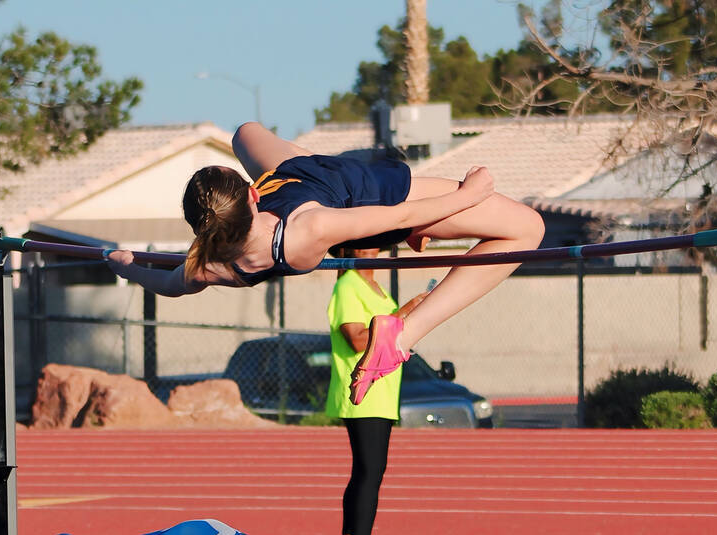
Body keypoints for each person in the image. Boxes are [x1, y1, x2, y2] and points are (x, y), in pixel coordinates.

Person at [107, 121, 545, 404]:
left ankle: (407, 263)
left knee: (246, 132)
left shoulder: (214, 262)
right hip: (361, 197)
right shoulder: (309, 228)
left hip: (302, 176)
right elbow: (402, 215)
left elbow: (168, 283)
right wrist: (467, 195)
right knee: (527, 229)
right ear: (253, 195)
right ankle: (401, 335)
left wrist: (125, 266)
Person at [326, 249, 428, 535]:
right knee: (370, 470)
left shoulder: (378, 290)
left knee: (367, 471)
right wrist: (408, 308)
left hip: (383, 392)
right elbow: (357, 339)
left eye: (374, 242)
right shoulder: (347, 286)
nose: (369, 248)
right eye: (362, 243)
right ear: (348, 248)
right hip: (360, 389)